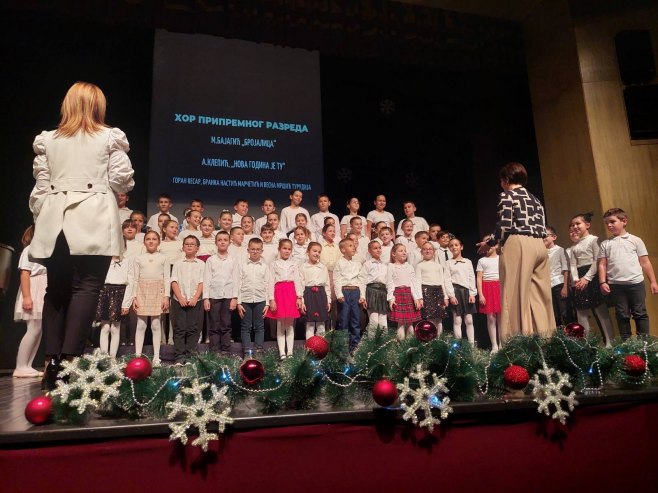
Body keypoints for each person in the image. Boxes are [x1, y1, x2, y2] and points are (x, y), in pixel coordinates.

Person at [29, 82, 134, 389]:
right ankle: (70, 362)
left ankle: (51, 363)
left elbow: (40, 188)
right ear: (97, 106)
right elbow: (122, 181)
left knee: (56, 291)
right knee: (87, 288)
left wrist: (43, 219)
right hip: (93, 218)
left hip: (54, 220)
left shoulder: (48, 140)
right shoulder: (109, 137)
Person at [477, 162, 555, 340]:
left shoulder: (507, 196)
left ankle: (516, 343)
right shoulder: (536, 199)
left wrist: (490, 243)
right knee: (539, 297)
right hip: (539, 245)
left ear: (505, 179)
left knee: (512, 296)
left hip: (518, 244)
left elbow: (504, 226)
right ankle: (546, 339)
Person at [598, 208, 658, 339]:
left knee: (640, 313)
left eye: (612, 221)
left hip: (635, 284)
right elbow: (602, 264)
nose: (609, 225)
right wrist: (603, 281)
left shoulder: (635, 240)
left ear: (624, 221)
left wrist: (653, 281)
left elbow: (645, 262)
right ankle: (626, 344)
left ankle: (644, 343)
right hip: (616, 285)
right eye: (607, 223)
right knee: (622, 314)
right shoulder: (605, 244)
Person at [122, 231, 169, 366]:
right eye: (148, 239)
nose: (151, 241)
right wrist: (134, 297)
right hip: (141, 290)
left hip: (158, 291)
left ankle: (156, 357)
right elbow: (135, 279)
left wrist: (166, 296)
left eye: (154, 239)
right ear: (144, 242)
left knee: (155, 324)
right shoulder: (138, 258)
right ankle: (138, 355)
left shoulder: (164, 258)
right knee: (141, 324)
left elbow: (166, 277)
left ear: (158, 242)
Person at [568, 212, 614, 347]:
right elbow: (572, 265)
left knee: (601, 310)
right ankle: (586, 345)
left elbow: (597, 261)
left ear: (587, 225)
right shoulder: (573, 247)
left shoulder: (594, 240)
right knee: (581, 312)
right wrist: (576, 279)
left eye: (578, 223)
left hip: (592, 276)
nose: (575, 226)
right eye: (572, 225)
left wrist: (587, 278)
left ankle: (610, 342)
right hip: (579, 279)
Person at [13, 226, 46, 378]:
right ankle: (20, 366)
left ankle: (27, 365)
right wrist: (27, 297)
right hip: (34, 289)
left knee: (37, 330)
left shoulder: (43, 251)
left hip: (42, 288)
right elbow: (24, 273)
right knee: (33, 328)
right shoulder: (29, 250)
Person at [170, 235, 205, 364]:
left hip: (196, 301)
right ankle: (179, 356)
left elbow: (202, 282)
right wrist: (180, 297)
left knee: (193, 328)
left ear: (197, 248)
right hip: (179, 300)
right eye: (187, 244)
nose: (189, 246)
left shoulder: (201, 264)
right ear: (183, 247)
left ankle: (190, 356)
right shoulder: (178, 264)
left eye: (192, 244)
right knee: (179, 328)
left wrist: (196, 297)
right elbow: (174, 281)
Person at [266, 239, 303, 359]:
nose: (286, 251)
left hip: (291, 293)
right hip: (279, 293)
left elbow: (297, 280)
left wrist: (299, 297)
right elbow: (270, 281)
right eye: (284, 248)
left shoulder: (294, 263)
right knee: (281, 323)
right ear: (279, 249)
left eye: (289, 249)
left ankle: (290, 352)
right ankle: (282, 352)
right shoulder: (273, 264)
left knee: (290, 324)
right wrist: (271, 299)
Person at [203, 231, 239, 353]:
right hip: (214, 296)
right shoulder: (210, 260)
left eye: (225, 240)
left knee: (226, 324)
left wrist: (235, 297)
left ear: (229, 242)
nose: (222, 242)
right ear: (216, 242)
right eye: (220, 240)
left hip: (228, 296)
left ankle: (226, 351)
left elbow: (236, 279)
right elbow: (207, 279)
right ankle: (214, 352)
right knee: (214, 325)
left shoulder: (233, 260)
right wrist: (206, 298)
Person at [237, 238, 270, 355]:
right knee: (246, 327)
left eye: (257, 249)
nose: (255, 251)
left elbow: (267, 284)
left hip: (260, 300)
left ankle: (259, 350)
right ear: (248, 250)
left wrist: (267, 303)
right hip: (245, 300)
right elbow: (238, 283)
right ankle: (247, 351)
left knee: (259, 326)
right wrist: (239, 302)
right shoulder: (242, 265)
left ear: (261, 251)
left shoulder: (265, 267)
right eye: (252, 249)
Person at [333, 238, 366, 352]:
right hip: (344, 292)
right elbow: (336, 279)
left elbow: (361, 280)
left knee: (356, 320)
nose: (354, 247)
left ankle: (355, 345)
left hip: (355, 292)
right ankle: (342, 346)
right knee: (343, 319)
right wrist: (339, 294)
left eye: (354, 245)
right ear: (343, 249)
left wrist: (362, 295)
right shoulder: (339, 263)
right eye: (350, 245)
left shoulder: (357, 264)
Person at [386, 244, 423, 340]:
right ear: (393, 254)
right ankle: (401, 346)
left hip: (409, 294)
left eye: (404, 250)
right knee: (401, 322)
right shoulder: (391, 266)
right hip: (398, 294)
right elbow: (389, 283)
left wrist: (417, 298)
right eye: (401, 251)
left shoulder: (409, 267)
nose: (404, 252)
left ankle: (409, 346)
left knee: (410, 322)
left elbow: (413, 283)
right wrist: (391, 298)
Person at [415, 242, 452, 337]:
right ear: (421, 252)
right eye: (425, 249)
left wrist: (446, 297)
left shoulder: (438, 266)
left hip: (438, 291)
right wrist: (420, 297)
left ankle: (439, 339)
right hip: (426, 291)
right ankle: (430, 338)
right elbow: (418, 282)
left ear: (434, 251)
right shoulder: (419, 266)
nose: (427, 251)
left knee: (439, 318)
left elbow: (442, 281)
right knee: (429, 318)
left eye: (430, 249)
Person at [96, 254, 129, 358]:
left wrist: (126, 303)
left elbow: (131, 282)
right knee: (105, 327)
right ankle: (104, 357)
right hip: (104, 291)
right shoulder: (103, 261)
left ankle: (113, 358)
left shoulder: (127, 261)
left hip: (120, 292)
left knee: (115, 327)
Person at [448, 238, 477, 345]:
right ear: (449, 248)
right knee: (457, 320)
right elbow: (447, 280)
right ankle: (459, 347)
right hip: (456, 292)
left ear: (461, 247)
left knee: (469, 320)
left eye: (456, 245)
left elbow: (471, 277)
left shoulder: (468, 262)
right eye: (451, 245)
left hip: (467, 292)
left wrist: (472, 293)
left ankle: (471, 346)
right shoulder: (448, 263)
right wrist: (451, 295)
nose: (454, 247)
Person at [299, 242, 331, 339]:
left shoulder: (323, 267)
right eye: (314, 251)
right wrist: (302, 301)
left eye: (319, 252)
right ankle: (310, 349)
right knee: (310, 325)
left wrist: (328, 300)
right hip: (308, 295)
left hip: (321, 296)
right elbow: (301, 285)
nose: (317, 253)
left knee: (321, 325)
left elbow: (327, 285)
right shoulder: (303, 267)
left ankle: (321, 350)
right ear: (308, 252)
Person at [476, 238, 501, 352]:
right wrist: (481, 294)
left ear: (496, 246)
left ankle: (502, 343)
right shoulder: (482, 261)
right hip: (488, 288)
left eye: (490, 244)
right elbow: (479, 278)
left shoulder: (501, 258)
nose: (489, 246)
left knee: (501, 317)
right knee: (491, 317)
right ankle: (494, 345)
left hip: (499, 286)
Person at [361, 240, 389, 334]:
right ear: (370, 251)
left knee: (383, 321)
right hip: (372, 291)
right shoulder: (367, 264)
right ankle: (371, 345)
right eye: (375, 248)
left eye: (379, 248)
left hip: (382, 292)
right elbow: (362, 281)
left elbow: (388, 281)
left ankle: (385, 344)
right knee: (374, 321)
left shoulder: (385, 264)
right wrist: (363, 297)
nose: (378, 250)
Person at [544, 225, 570, 326]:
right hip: (548, 286)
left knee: (565, 313)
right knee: (555, 315)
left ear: (554, 237)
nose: (543, 238)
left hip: (559, 284)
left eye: (545, 235)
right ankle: (560, 339)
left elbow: (565, 269)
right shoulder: (542, 252)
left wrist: (565, 287)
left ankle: (572, 338)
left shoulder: (560, 250)